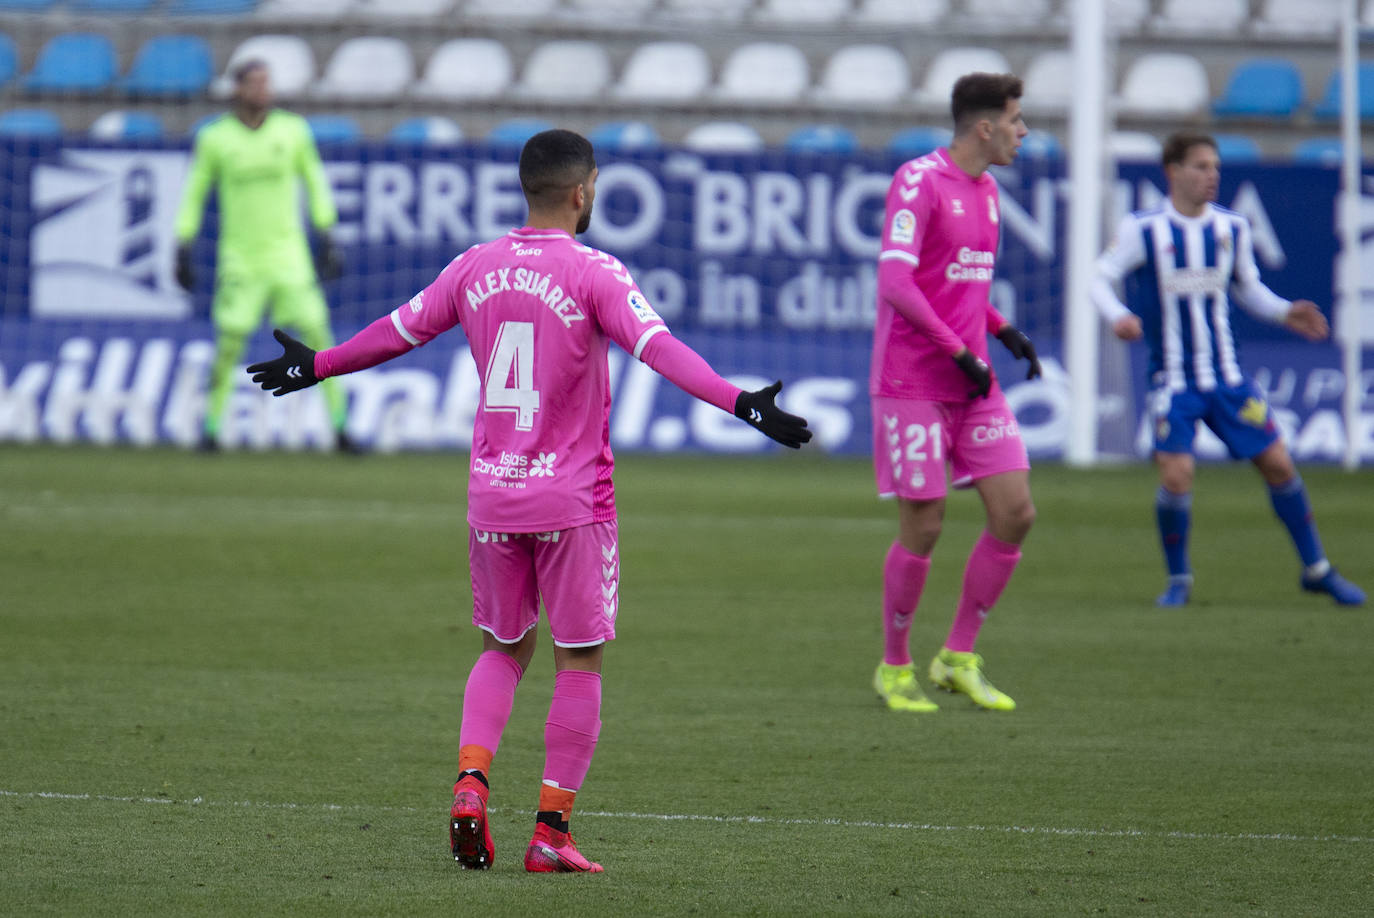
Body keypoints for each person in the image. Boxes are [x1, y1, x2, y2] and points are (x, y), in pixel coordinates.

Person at [247, 129, 812, 872]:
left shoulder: (474, 266)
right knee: (579, 660)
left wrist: (319, 364)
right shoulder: (595, 271)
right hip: (572, 501)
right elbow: (660, 350)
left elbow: (397, 331)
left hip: (494, 497)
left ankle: (472, 784)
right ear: (582, 191)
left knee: (503, 650)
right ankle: (550, 833)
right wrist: (741, 402)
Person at [1091, 131, 1365, 608]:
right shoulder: (1144, 229)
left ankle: (1317, 569)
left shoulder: (1231, 228)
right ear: (1173, 171)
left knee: (1278, 464)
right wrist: (1118, 316)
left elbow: (1249, 287)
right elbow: (1099, 277)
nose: (1212, 175)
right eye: (1201, 166)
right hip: (1173, 381)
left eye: (1215, 167)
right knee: (1177, 475)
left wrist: (1285, 312)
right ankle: (1179, 580)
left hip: (1228, 378)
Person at [869, 72, 1041, 715]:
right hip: (914, 381)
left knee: (1015, 511)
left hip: (972, 380)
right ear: (986, 127)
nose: (1024, 132)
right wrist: (960, 351)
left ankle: (958, 656)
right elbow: (897, 284)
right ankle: (894, 667)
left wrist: (1001, 329)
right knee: (926, 523)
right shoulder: (918, 181)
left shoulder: (989, 190)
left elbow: (959, 285)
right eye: (1016, 120)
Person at [175, 58, 353, 453]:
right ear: (237, 89)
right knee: (229, 344)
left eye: (267, 83)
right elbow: (194, 192)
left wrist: (327, 232)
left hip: (289, 256)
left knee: (319, 336)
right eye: (255, 83)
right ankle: (211, 428)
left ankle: (341, 428)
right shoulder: (215, 138)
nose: (263, 90)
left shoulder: (293, 131)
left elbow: (315, 181)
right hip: (240, 260)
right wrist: (183, 243)